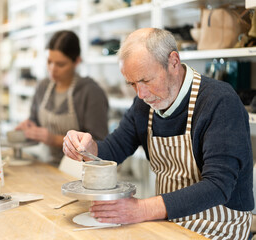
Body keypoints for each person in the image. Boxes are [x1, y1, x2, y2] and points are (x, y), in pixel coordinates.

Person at [63, 28, 254, 239]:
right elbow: (113, 150)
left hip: (219, 225)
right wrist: (88, 148)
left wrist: (142, 209)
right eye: (132, 84)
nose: (141, 94)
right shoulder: (144, 106)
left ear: (173, 62)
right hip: (170, 222)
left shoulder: (219, 101)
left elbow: (218, 186)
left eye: (146, 80)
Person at [16, 30, 109, 165]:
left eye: (60, 64)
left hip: (79, 171)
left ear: (77, 61)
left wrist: (54, 140)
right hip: (46, 164)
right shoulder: (43, 87)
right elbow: (35, 120)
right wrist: (29, 126)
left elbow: (99, 143)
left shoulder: (91, 92)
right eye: (49, 62)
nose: (52, 69)